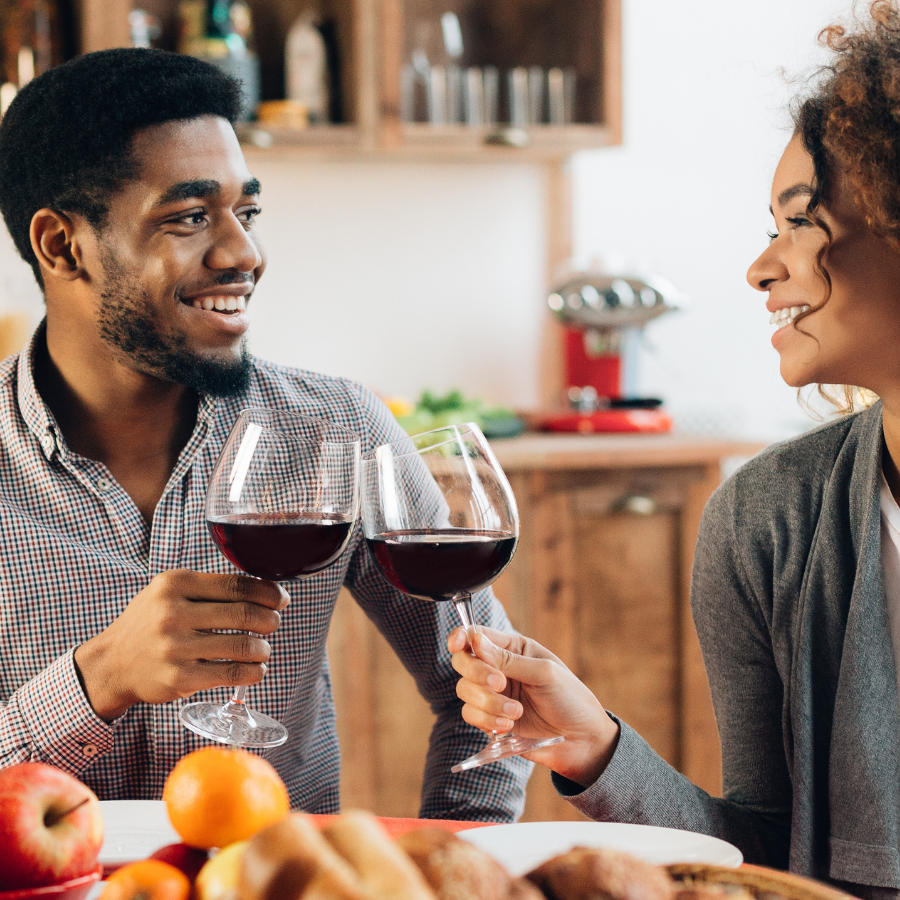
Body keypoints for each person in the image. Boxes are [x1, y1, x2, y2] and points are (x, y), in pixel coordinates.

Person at [0, 47, 530, 821]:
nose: (244, 253)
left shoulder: (335, 429)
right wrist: (95, 684)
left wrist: (450, 866)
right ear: (61, 245)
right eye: (188, 217)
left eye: (245, 212)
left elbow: (487, 696)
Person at [449, 1, 900, 893]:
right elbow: (765, 858)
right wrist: (596, 748)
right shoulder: (769, 520)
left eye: (801, 220)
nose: (762, 267)